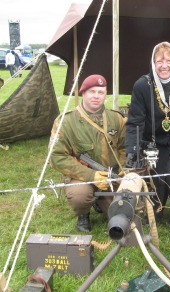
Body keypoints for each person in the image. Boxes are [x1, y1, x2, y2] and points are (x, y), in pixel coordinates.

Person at [125, 42, 170, 221]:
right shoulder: (142, 85)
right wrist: (132, 151)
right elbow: (135, 122)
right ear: (153, 63)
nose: (164, 66)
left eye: (168, 61)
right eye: (159, 61)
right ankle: (154, 213)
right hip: (152, 142)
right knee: (156, 176)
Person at [49, 74, 126, 232]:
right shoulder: (66, 122)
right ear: (83, 93)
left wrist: (123, 170)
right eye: (92, 91)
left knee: (124, 212)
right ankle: (83, 213)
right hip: (81, 177)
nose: (96, 96)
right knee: (79, 195)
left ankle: (100, 201)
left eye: (101, 92)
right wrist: (91, 176)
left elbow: (125, 148)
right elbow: (56, 157)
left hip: (110, 176)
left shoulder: (117, 119)